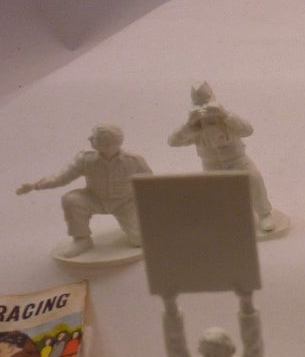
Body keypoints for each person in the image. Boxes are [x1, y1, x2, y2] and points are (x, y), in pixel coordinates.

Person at [17, 124, 152, 257]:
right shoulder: (85, 159)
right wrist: (36, 186)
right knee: (72, 199)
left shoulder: (134, 160)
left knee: (139, 240)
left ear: (109, 144)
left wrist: (150, 209)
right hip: (94, 199)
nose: (89, 138)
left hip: (125, 203)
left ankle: (139, 228)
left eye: (94, 137)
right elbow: (62, 177)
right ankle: (82, 239)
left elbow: (149, 183)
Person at [167, 81, 276, 233]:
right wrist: (189, 126)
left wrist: (225, 114)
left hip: (237, 160)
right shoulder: (194, 127)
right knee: (212, 193)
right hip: (211, 165)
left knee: (254, 178)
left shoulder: (227, 119)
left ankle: (264, 214)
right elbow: (172, 142)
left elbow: (248, 130)